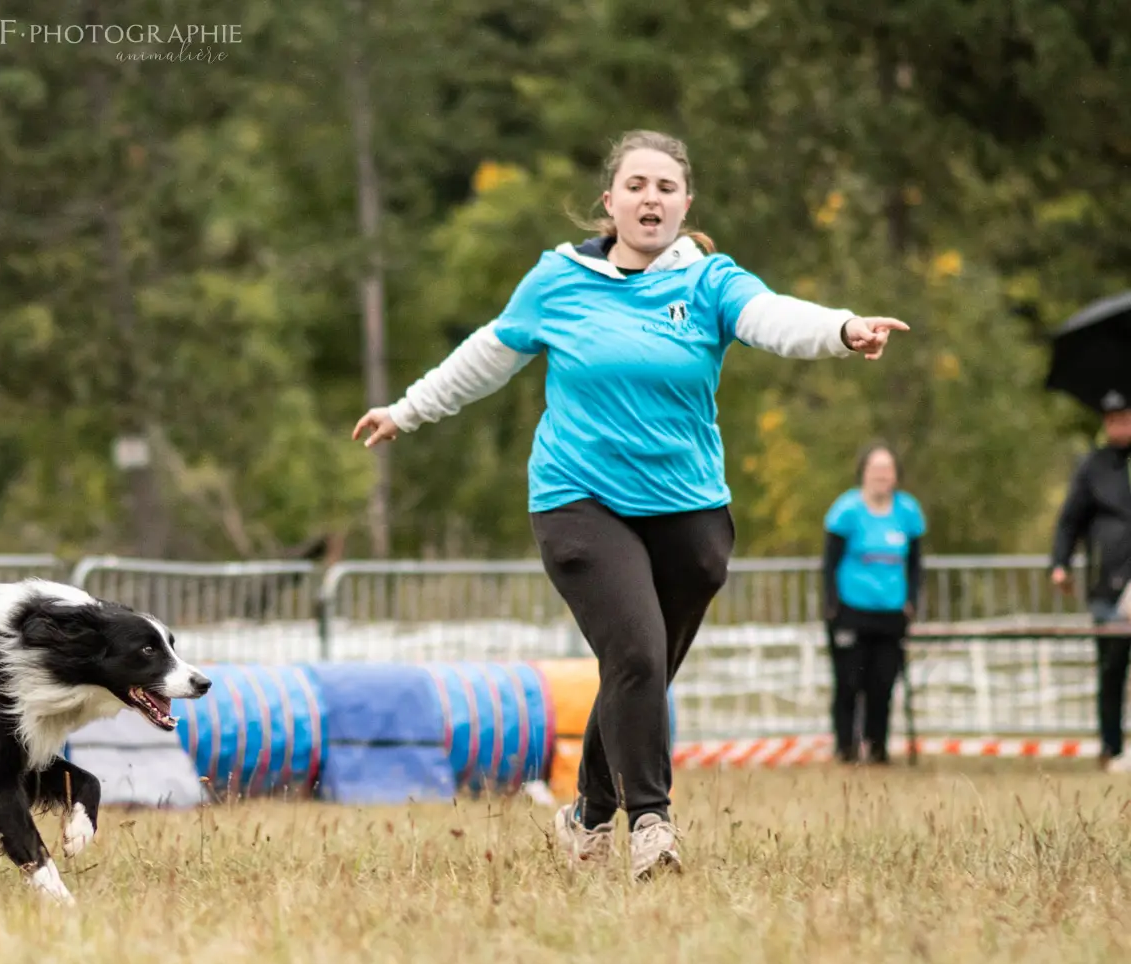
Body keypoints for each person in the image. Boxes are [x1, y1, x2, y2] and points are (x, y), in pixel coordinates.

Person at [351, 129, 909, 880]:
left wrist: (843, 328)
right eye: (637, 185)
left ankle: (585, 815)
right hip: (579, 498)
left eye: (666, 187)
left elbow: (772, 317)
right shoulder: (557, 280)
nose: (651, 198)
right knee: (639, 654)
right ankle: (651, 822)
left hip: (689, 510)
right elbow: (488, 353)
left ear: (685, 204)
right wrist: (408, 409)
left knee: (637, 671)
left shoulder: (710, 281)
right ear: (609, 202)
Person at [821, 442, 924, 764]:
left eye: (887, 470)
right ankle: (846, 749)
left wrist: (912, 601)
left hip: (891, 612)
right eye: (876, 470)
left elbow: (917, 563)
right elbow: (829, 562)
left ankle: (878, 748)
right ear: (863, 473)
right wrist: (830, 604)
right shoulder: (846, 511)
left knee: (882, 685)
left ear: (896, 476)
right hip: (851, 609)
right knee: (849, 683)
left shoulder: (907, 512)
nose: (881, 476)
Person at [1048, 399, 1131, 772]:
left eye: (1125, 418)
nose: (1119, 426)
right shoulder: (1094, 465)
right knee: (1111, 669)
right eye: (1112, 420)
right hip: (1107, 588)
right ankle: (1111, 748)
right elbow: (1070, 520)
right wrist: (1060, 564)